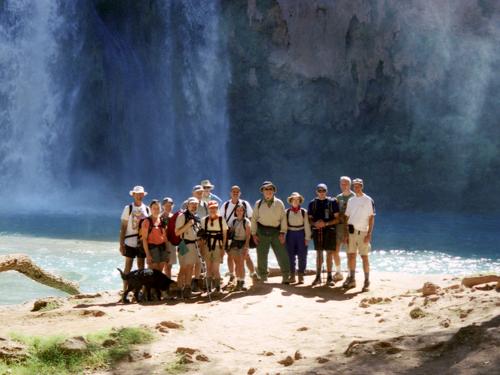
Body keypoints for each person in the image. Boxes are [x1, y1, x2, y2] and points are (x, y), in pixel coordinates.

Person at [251, 181, 290, 284]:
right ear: (262, 191)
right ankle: (263, 277)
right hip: (262, 231)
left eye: (270, 189)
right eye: (266, 189)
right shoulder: (258, 204)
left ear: (274, 191)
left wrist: (283, 233)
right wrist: (254, 234)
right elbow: (254, 219)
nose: (268, 191)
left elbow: (283, 219)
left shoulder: (279, 203)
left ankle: (286, 276)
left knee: (282, 254)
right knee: (262, 255)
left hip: (276, 231)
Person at [343, 178, 375, 292]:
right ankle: (352, 279)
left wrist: (369, 234)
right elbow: (347, 217)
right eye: (355, 186)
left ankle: (366, 281)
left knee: (364, 257)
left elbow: (371, 217)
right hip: (351, 232)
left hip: (363, 232)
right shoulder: (351, 201)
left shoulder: (368, 200)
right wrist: (345, 234)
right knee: (351, 256)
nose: (356, 188)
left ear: (362, 186)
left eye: (358, 186)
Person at [220, 185, 256, 283]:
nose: (235, 193)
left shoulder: (244, 203)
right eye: (233, 191)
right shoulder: (225, 205)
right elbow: (221, 219)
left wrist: (253, 232)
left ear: (240, 193)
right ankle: (232, 274)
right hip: (229, 232)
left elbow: (251, 218)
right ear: (230, 193)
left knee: (246, 254)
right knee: (230, 255)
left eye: (237, 192)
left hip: (243, 230)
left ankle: (253, 273)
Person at [308, 183, 340, 286]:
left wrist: (325, 223)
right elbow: (309, 219)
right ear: (316, 192)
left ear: (326, 191)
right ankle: (318, 277)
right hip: (317, 231)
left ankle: (329, 278)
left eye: (323, 191)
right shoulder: (312, 203)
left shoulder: (332, 202)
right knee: (318, 254)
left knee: (329, 254)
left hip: (329, 231)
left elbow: (337, 218)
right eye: (319, 191)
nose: (321, 193)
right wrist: (315, 224)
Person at [119, 186, 150, 289]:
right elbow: (123, 227)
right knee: (128, 265)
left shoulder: (146, 208)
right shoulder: (128, 208)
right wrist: (121, 244)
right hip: (129, 241)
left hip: (142, 241)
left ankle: (140, 289)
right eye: (137, 194)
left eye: (141, 194)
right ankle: (125, 290)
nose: (139, 196)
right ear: (133, 195)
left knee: (141, 266)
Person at [182, 185, 208, 292]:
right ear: (193, 193)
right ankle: (186, 284)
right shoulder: (185, 204)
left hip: (201, 236)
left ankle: (197, 282)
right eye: (198, 192)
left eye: (201, 192)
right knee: (187, 261)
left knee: (201, 260)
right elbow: (182, 219)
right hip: (188, 237)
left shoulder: (205, 204)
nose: (200, 194)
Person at [175, 197, 201, 298]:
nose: (194, 206)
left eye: (196, 204)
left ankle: (182, 290)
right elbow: (177, 232)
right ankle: (185, 289)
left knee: (188, 267)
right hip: (184, 244)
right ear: (187, 205)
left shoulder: (196, 217)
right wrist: (188, 224)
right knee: (186, 267)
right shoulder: (182, 216)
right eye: (192, 204)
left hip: (193, 244)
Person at [200, 201, 228, 293]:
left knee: (216, 269)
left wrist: (223, 249)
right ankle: (208, 288)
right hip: (207, 246)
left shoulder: (221, 220)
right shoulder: (204, 220)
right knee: (208, 268)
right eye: (211, 208)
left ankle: (217, 288)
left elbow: (224, 236)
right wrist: (202, 249)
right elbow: (202, 237)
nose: (213, 210)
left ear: (217, 209)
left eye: (215, 208)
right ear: (208, 209)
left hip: (218, 247)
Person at [285, 192, 311, 284]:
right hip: (290, 234)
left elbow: (307, 225)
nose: (295, 201)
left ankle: (301, 275)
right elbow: (284, 226)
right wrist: (283, 236)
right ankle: (292, 275)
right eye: (293, 200)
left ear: (300, 201)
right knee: (290, 256)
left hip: (301, 233)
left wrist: (307, 237)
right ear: (290, 201)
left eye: (297, 200)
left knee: (302, 255)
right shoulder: (287, 212)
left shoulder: (304, 212)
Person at [334, 176, 354, 281]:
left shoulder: (354, 197)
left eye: (346, 183)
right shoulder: (338, 197)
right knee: (335, 250)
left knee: (349, 252)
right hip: (339, 227)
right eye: (342, 184)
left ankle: (350, 274)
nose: (344, 185)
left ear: (350, 185)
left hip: (350, 228)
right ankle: (338, 272)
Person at [227, 203, 252, 290]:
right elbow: (231, 234)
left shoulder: (247, 221)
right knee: (237, 263)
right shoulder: (233, 222)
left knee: (241, 263)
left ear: (244, 211)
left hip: (243, 244)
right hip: (234, 244)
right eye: (238, 210)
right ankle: (238, 281)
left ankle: (242, 281)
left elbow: (248, 236)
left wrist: (246, 247)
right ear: (235, 212)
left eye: (241, 210)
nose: (239, 212)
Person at [142, 200, 168, 272]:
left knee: (160, 272)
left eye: (158, 208)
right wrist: (147, 255)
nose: (156, 210)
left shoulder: (162, 220)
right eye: (154, 208)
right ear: (150, 209)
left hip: (162, 248)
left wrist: (167, 250)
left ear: (160, 209)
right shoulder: (146, 221)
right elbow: (144, 239)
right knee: (152, 272)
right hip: (152, 249)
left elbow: (165, 237)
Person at [160, 197, 177, 278]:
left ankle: (168, 283)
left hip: (171, 242)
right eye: (166, 205)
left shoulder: (174, 217)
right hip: (162, 243)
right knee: (163, 265)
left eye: (170, 205)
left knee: (169, 265)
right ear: (163, 206)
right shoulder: (160, 217)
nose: (168, 207)